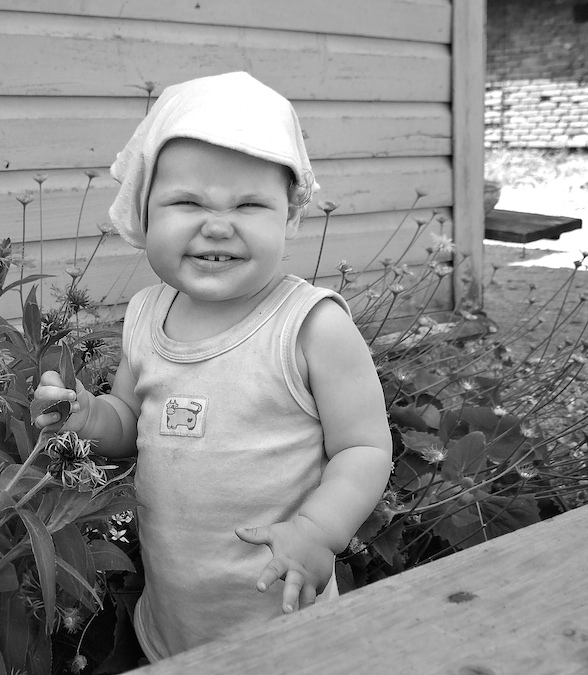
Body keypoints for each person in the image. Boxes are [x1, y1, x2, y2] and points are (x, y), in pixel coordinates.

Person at [32, 72, 393, 661]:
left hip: (283, 627)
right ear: (144, 213)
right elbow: (129, 423)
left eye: (249, 204)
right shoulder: (146, 314)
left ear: (290, 218)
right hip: (172, 625)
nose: (218, 225)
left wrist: (318, 531)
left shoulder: (311, 326)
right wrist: (87, 417)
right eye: (187, 202)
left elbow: (365, 448)